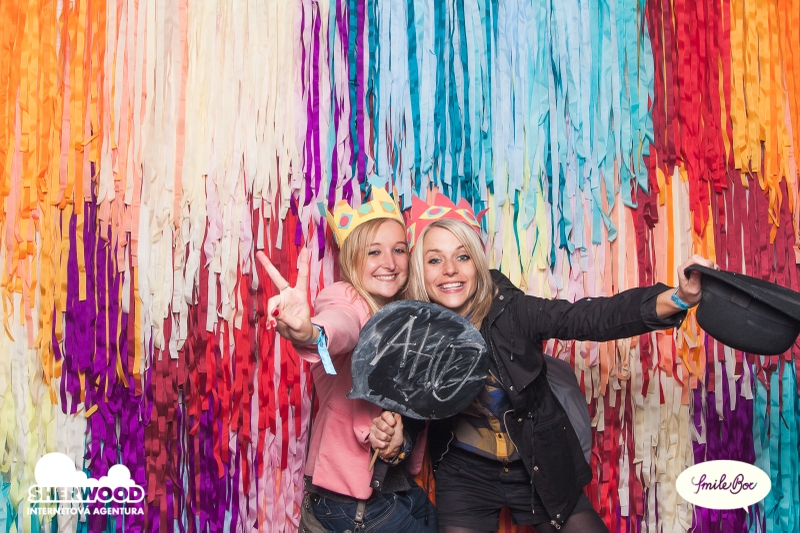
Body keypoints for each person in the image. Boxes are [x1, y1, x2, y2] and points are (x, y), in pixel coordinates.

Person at [370, 193, 715, 533]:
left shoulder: (512, 312)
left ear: (477, 263)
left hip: (538, 462)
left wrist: (678, 298)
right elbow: (411, 415)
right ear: (420, 270)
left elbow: (590, 317)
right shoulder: (414, 336)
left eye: (462, 256)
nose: (450, 270)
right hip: (465, 474)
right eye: (435, 260)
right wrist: (398, 440)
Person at [257, 188, 437, 533]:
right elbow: (341, 325)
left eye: (399, 250)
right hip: (349, 500)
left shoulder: (407, 316)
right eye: (374, 252)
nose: (390, 263)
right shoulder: (347, 299)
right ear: (353, 260)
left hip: (394, 487)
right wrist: (311, 333)